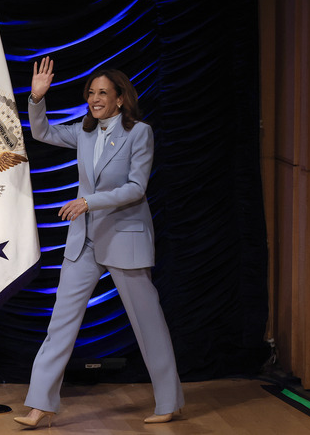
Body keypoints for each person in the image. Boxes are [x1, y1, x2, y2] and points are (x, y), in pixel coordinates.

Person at [14, 57, 184, 428]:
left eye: (102, 93)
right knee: (60, 323)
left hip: (125, 239)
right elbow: (42, 132)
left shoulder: (140, 133)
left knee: (148, 323)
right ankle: (40, 404)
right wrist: (37, 98)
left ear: (121, 98)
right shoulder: (84, 132)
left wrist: (89, 202)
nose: (95, 98)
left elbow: (136, 189)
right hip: (84, 242)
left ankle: (169, 402)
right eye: (91, 93)